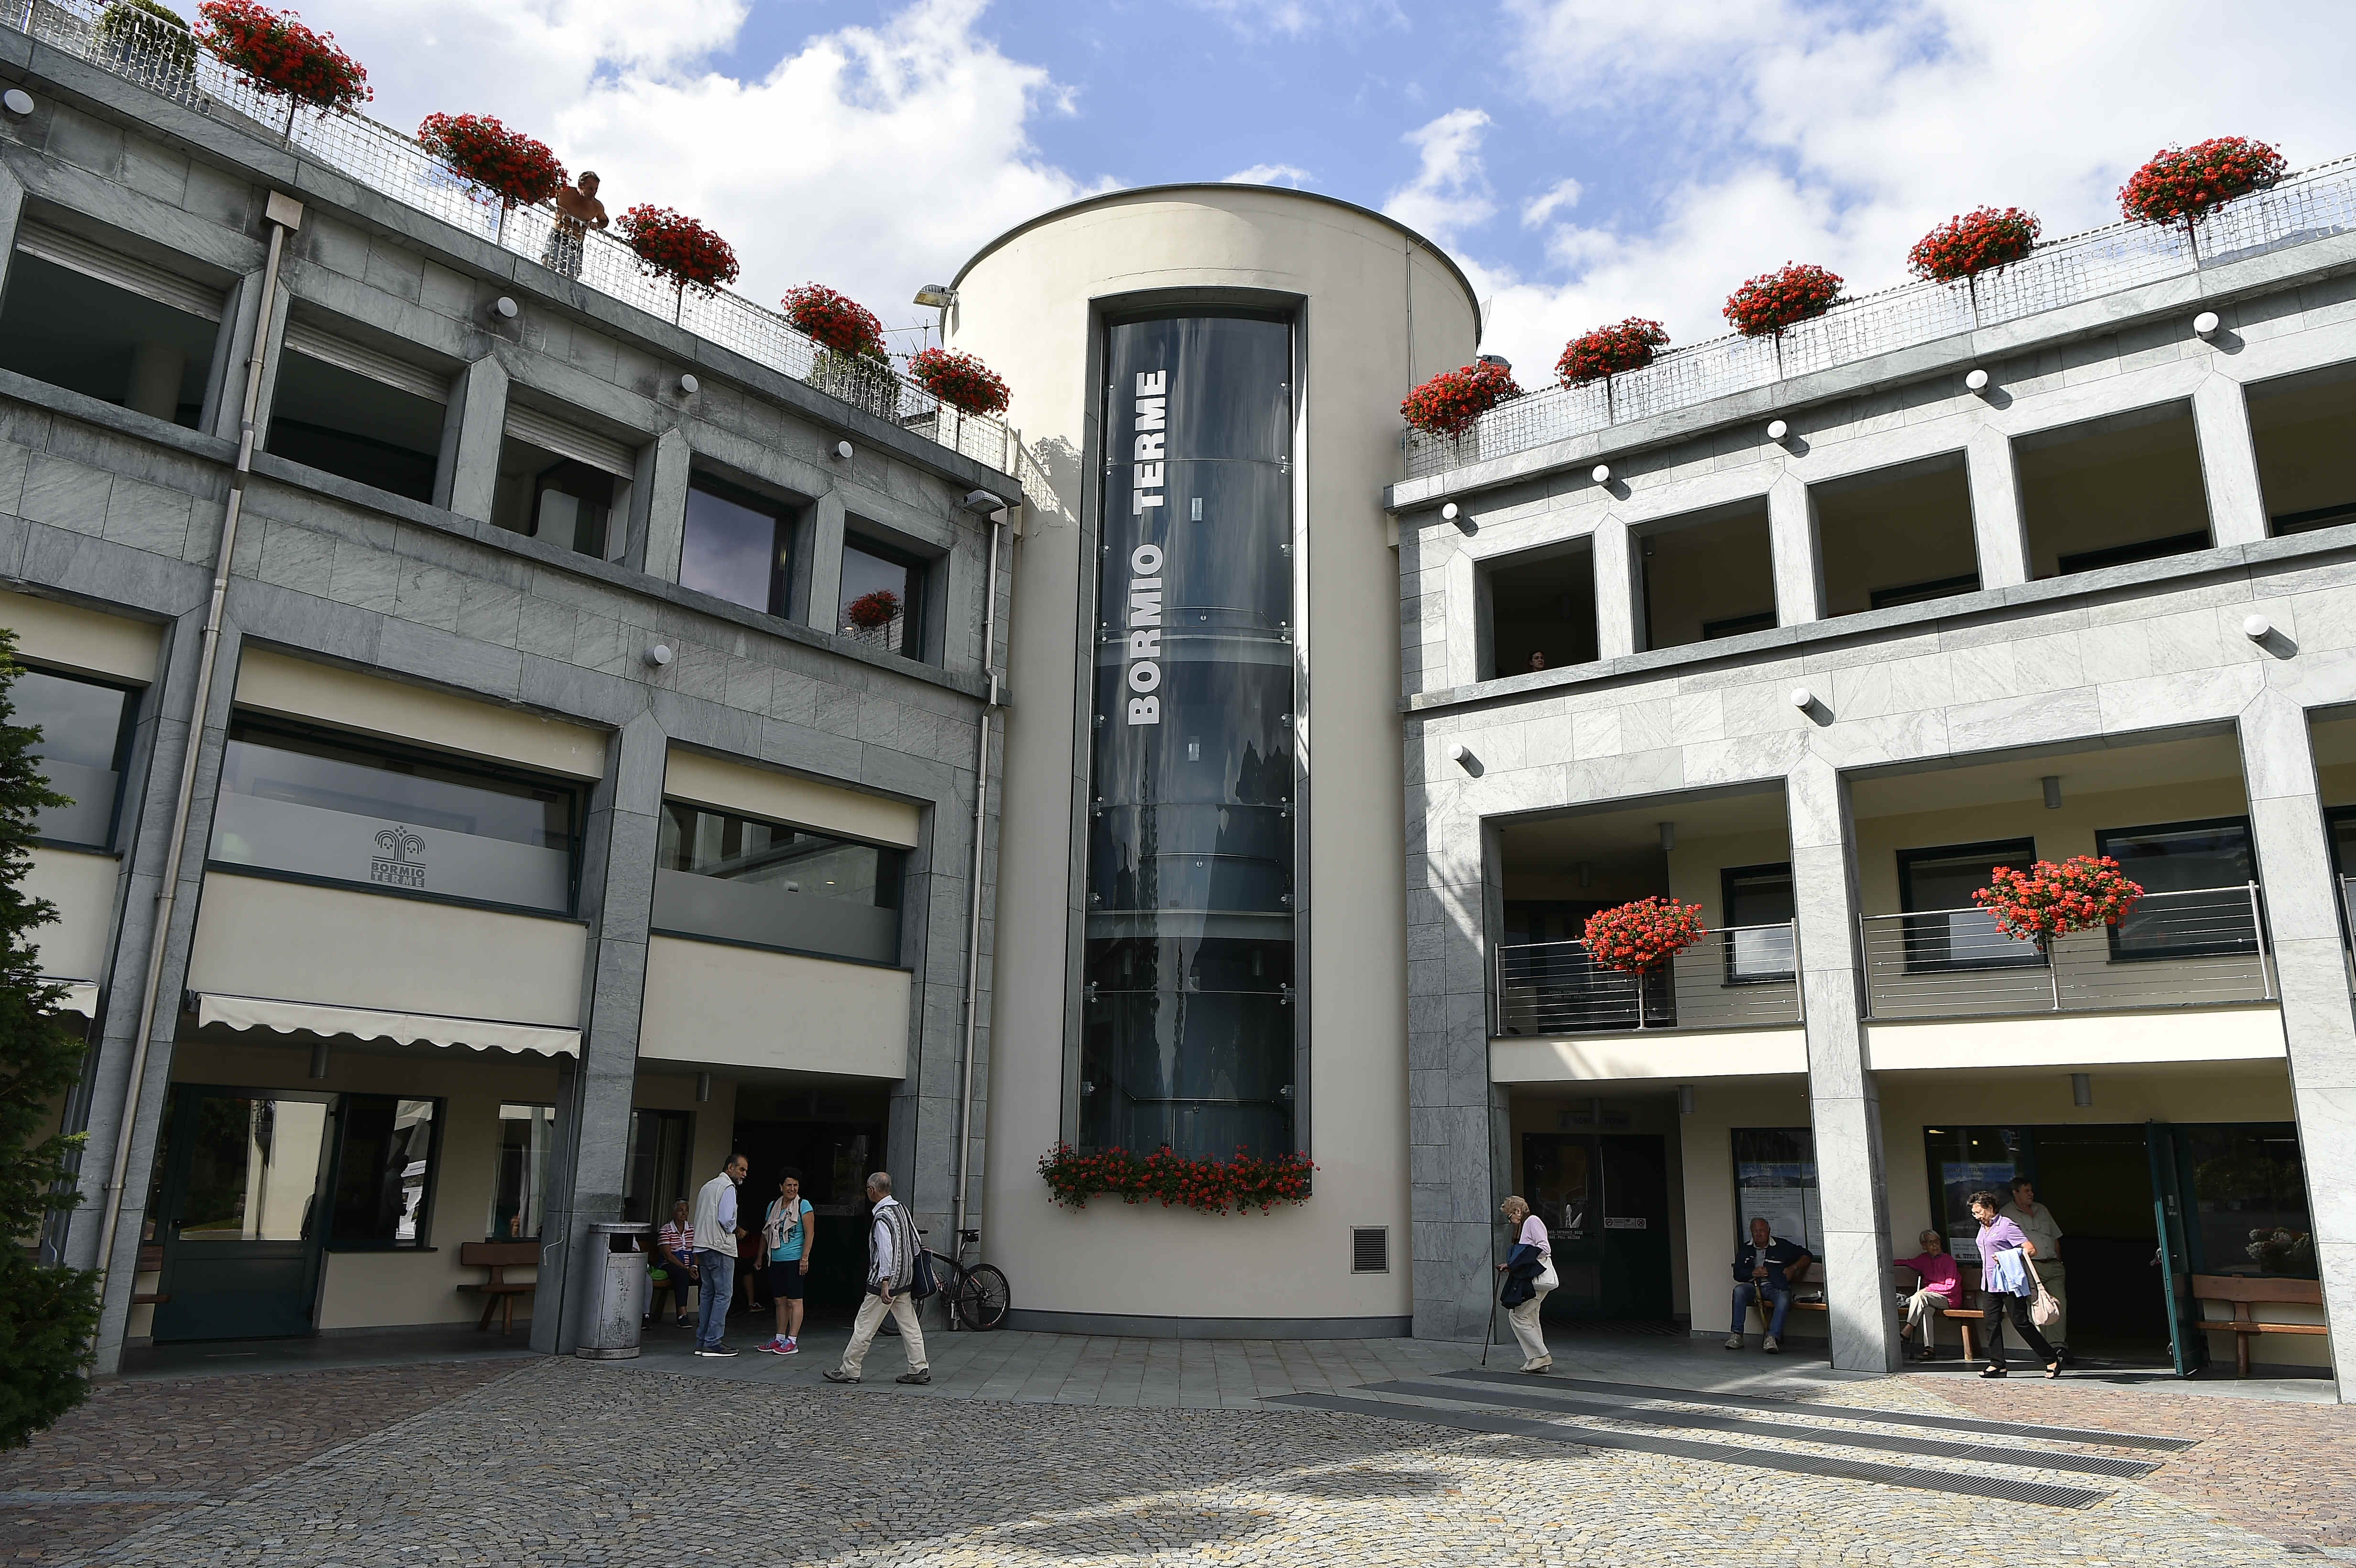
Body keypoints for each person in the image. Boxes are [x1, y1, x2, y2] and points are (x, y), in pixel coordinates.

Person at [822, 1171, 930, 1385]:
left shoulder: (882, 1217)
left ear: (872, 1190)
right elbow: (916, 1241)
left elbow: (885, 1252)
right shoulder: (902, 1209)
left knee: (865, 1324)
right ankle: (919, 1368)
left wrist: (885, 1281)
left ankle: (850, 1369)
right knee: (910, 1325)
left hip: (885, 1283)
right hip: (905, 1279)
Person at [1970, 1189, 2060, 1379]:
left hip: (2010, 1283)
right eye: (1974, 1213)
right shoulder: (1983, 1227)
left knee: (2021, 1323)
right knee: (1991, 1324)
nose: (1976, 1216)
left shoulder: (2007, 1225)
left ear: (1990, 1208)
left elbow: (2031, 1250)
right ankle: (1997, 1364)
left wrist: (2005, 1256)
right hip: (1989, 1283)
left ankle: (2051, 1359)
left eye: (1979, 1212)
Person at [2000, 1176, 2067, 1358]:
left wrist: (2059, 1262)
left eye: (2031, 1191)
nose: (2031, 1194)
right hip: (2030, 1267)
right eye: (2026, 1191)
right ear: (2015, 1193)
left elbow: (2055, 1237)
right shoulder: (2007, 1214)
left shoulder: (2041, 1209)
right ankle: (2046, 1349)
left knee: (2059, 1305)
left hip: (2052, 1265)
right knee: (2039, 1307)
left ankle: (2058, 1346)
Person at [689, 1153, 748, 1358]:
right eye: (742, 1169)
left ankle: (702, 1341)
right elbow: (726, 1219)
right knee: (723, 1295)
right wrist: (737, 1230)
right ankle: (713, 1342)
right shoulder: (728, 1187)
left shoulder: (708, 1186)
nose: (744, 1174)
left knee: (708, 1294)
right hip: (719, 1246)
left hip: (703, 1246)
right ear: (730, 1168)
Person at [1725, 1217, 1810, 1353]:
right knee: (1739, 1291)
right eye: (1755, 1231)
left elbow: (1807, 1255)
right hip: (1754, 1286)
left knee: (1784, 1298)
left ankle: (1772, 1338)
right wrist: (1753, 1273)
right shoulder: (1746, 1249)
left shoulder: (1782, 1246)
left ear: (1769, 1231)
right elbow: (1738, 1274)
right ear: (1751, 1232)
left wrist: (1793, 1269)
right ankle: (1737, 1335)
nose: (1759, 1234)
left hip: (1776, 1287)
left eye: (1762, 1231)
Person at [1495, 1195, 1555, 1373]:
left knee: (1517, 1316)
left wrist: (1518, 1262)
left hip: (1535, 1278)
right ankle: (1538, 1360)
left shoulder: (1532, 1221)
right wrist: (1512, 1265)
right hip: (1533, 1278)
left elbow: (1544, 1248)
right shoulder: (1527, 1224)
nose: (1510, 1221)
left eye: (1510, 1216)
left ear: (1518, 1211)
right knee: (1530, 1317)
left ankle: (1542, 1356)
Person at [759, 1168, 815, 1356]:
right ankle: (779, 1337)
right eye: (789, 1185)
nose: (792, 1189)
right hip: (776, 1259)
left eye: (796, 1185)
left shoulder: (804, 1205)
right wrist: (760, 1257)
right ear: (781, 1187)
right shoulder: (773, 1206)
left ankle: (792, 1340)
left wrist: (805, 1258)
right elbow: (765, 1233)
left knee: (794, 1301)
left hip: (795, 1260)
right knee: (780, 1300)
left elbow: (810, 1233)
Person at [1893, 1229, 1961, 1360]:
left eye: (1937, 1242)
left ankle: (1907, 1331)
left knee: (1921, 1296)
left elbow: (1951, 1288)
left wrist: (1928, 1289)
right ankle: (1929, 1349)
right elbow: (1907, 1262)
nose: (1935, 1245)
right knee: (1926, 1310)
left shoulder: (1948, 1260)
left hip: (1949, 1299)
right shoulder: (1923, 1259)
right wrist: (1884, 1261)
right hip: (1929, 1300)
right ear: (1924, 1246)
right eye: (1931, 1243)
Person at [540, 171, 608, 280]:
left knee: (570, 280)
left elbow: (605, 221)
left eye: (596, 189)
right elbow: (542, 194)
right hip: (558, 235)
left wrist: (596, 225)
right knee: (547, 268)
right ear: (581, 185)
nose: (593, 192)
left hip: (577, 244)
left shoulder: (597, 206)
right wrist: (555, 208)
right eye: (591, 189)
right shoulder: (565, 192)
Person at [648, 1198, 697, 1327]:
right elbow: (668, 1256)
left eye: (687, 1211)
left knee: (707, 1275)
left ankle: (704, 1314)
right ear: (674, 1213)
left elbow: (697, 1251)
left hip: (690, 1265)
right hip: (671, 1265)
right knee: (682, 1274)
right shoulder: (666, 1230)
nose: (684, 1213)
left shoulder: (693, 1229)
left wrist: (694, 1266)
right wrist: (686, 1269)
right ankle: (682, 1315)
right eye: (681, 1210)